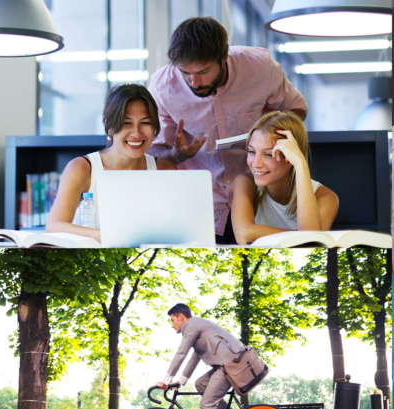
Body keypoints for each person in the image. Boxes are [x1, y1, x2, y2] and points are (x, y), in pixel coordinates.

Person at [147, 17, 308, 244]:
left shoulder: (260, 68)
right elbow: (152, 152)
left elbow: (297, 110)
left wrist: (268, 137)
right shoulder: (162, 87)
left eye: (203, 71)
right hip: (201, 206)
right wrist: (176, 155)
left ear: (224, 57)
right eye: (185, 73)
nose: (193, 82)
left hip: (262, 198)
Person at [46, 84, 177, 241]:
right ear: (109, 126)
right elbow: (54, 227)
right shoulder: (81, 168)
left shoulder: (165, 170)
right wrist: (107, 236)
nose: (136, 133)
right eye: (127, 123)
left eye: (145, 122)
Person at [156, 303, 248, 409]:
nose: (172, 325)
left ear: (181, 317)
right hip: (227, 365)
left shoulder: (191, 325)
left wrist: (167, 379)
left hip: (230, 365)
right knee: (201, 384)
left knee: (206, 404)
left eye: (172, 320)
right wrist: (180, 381)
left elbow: (181, 352)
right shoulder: (198, 327)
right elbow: (194, 357)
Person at [231, 111, 339, 243]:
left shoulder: (326, 197)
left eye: (269, 154)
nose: (255, 163)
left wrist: (300, 164)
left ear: (291, 155)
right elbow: (244, 234)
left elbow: (311, 245)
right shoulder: (245, 182)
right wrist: (301, 236)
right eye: (252, 151)